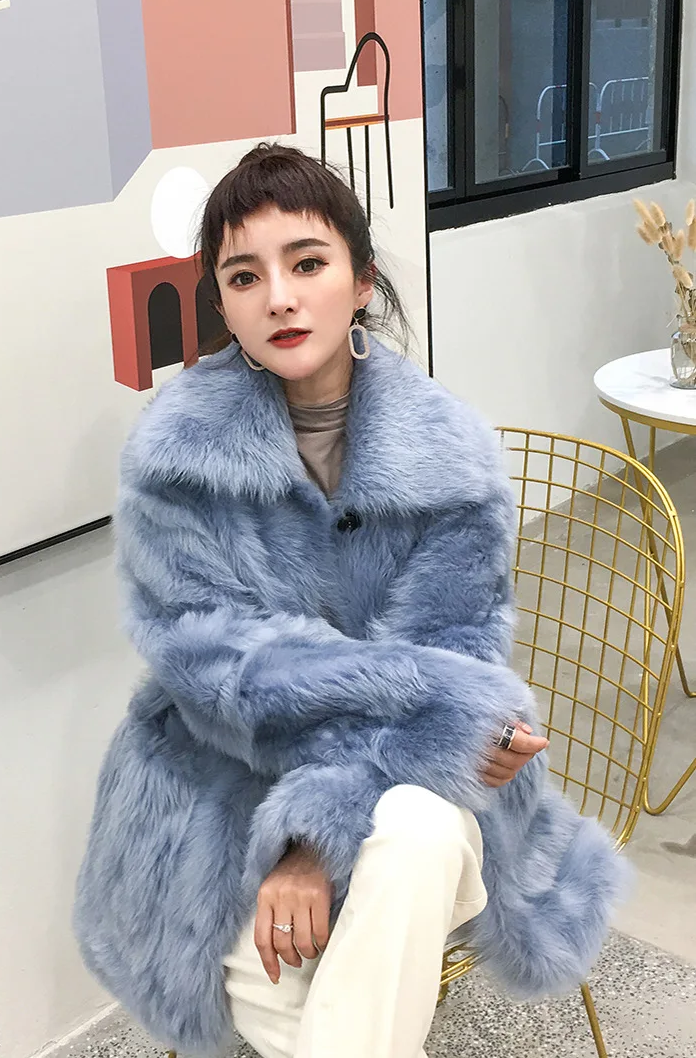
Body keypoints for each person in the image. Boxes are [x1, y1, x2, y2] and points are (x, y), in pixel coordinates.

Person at [74, 143, 627, 1058]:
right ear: (223, 305)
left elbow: (455, 647)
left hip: (423, 789)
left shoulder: (450, 456)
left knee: (418, 831)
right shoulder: (177, 459)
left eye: (307, 263)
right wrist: (436, 715)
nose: (279, 298)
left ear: (361, 279)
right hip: (221, 781)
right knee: (319, 991)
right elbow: (219, 669)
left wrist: (316, 832)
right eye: (244, 276)